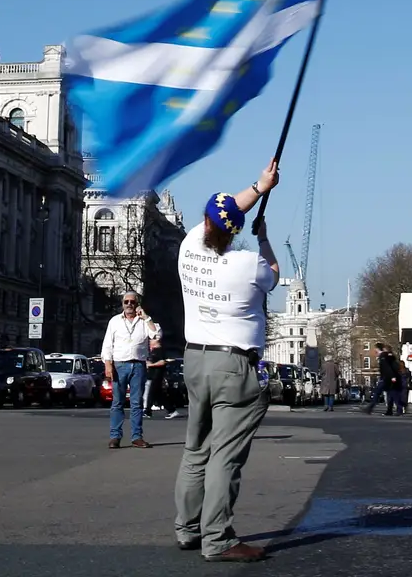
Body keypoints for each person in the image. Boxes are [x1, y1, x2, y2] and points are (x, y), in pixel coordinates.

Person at [173, 161, 280, 563]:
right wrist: (264, 239)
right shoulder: (247, 263)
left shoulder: (188, 247)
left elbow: (227, 210)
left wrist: (258, 185)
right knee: (226, 456)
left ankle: (187, 529)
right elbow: (273, 272)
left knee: (195, 449)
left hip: (194, 359)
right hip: (234, 366)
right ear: (236, 230)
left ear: (205, 222)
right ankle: (217, 538)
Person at [101, 289, 153, 448]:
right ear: (122, 304)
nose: (129, 304)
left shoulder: (143, 321)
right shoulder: (114, 321)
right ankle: (115, 437)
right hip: (120, 365)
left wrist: (147, 317)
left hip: (138, 365)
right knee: (117, 402)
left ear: (138, 304)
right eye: (126, 302)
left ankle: (137, 437)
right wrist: (108, 365)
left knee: (136, 403)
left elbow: (156, 334)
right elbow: (108, 345)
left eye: (132, 302)